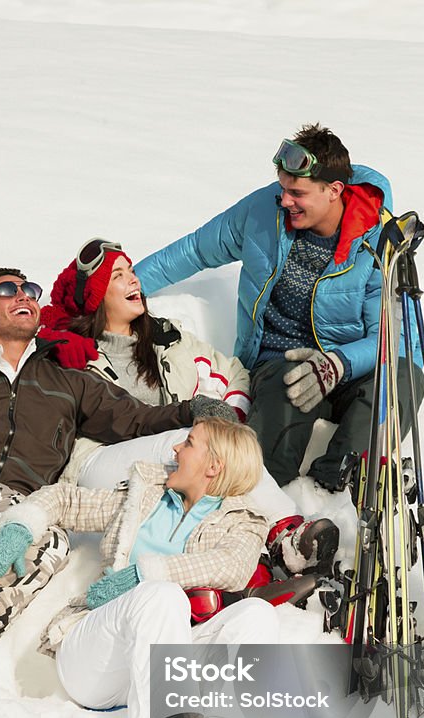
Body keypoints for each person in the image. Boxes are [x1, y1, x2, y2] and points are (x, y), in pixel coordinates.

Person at [0, 268, 232, 699]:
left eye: (30, 289)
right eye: (8, 290)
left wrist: (191, 411)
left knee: (51, 542)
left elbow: (136, 420)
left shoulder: (68, 382)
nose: (25, 296)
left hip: (16, 502)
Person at [0, 417, 280, 718]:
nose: (176, 448)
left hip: (159, 661)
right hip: (94, 658)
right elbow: (68, 499)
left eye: (190, 443)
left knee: (257, 614)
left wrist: (146, 572)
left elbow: (231, 566)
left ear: (213, 466)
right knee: (161, 596)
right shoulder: (147, 494)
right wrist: (22, 524)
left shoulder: (244, 521)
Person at [134, 123, 424, 492]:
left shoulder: (378, 240)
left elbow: (391, 338)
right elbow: (193, 250)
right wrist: (123, 287)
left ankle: (337, 486)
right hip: (279, 360)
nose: (285, 200)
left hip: (349, 366)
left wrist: (337, 364)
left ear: (334, 190)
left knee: (403, 376)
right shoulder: (262, 213)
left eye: (297, 193)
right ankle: (262, 505)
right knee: (278, 420)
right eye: (283, 189)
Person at [38, 238, 340, 579]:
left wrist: (232, 415)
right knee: (198, 444)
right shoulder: (72, 354)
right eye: (118, 276)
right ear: (96, 296)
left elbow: (234, 373)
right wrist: (211, 433)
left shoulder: (167, 339)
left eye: (132, 270)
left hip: (173, 454)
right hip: (99, 464)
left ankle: (258, 562)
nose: (134, 280)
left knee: (206, 457)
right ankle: (285, 530)